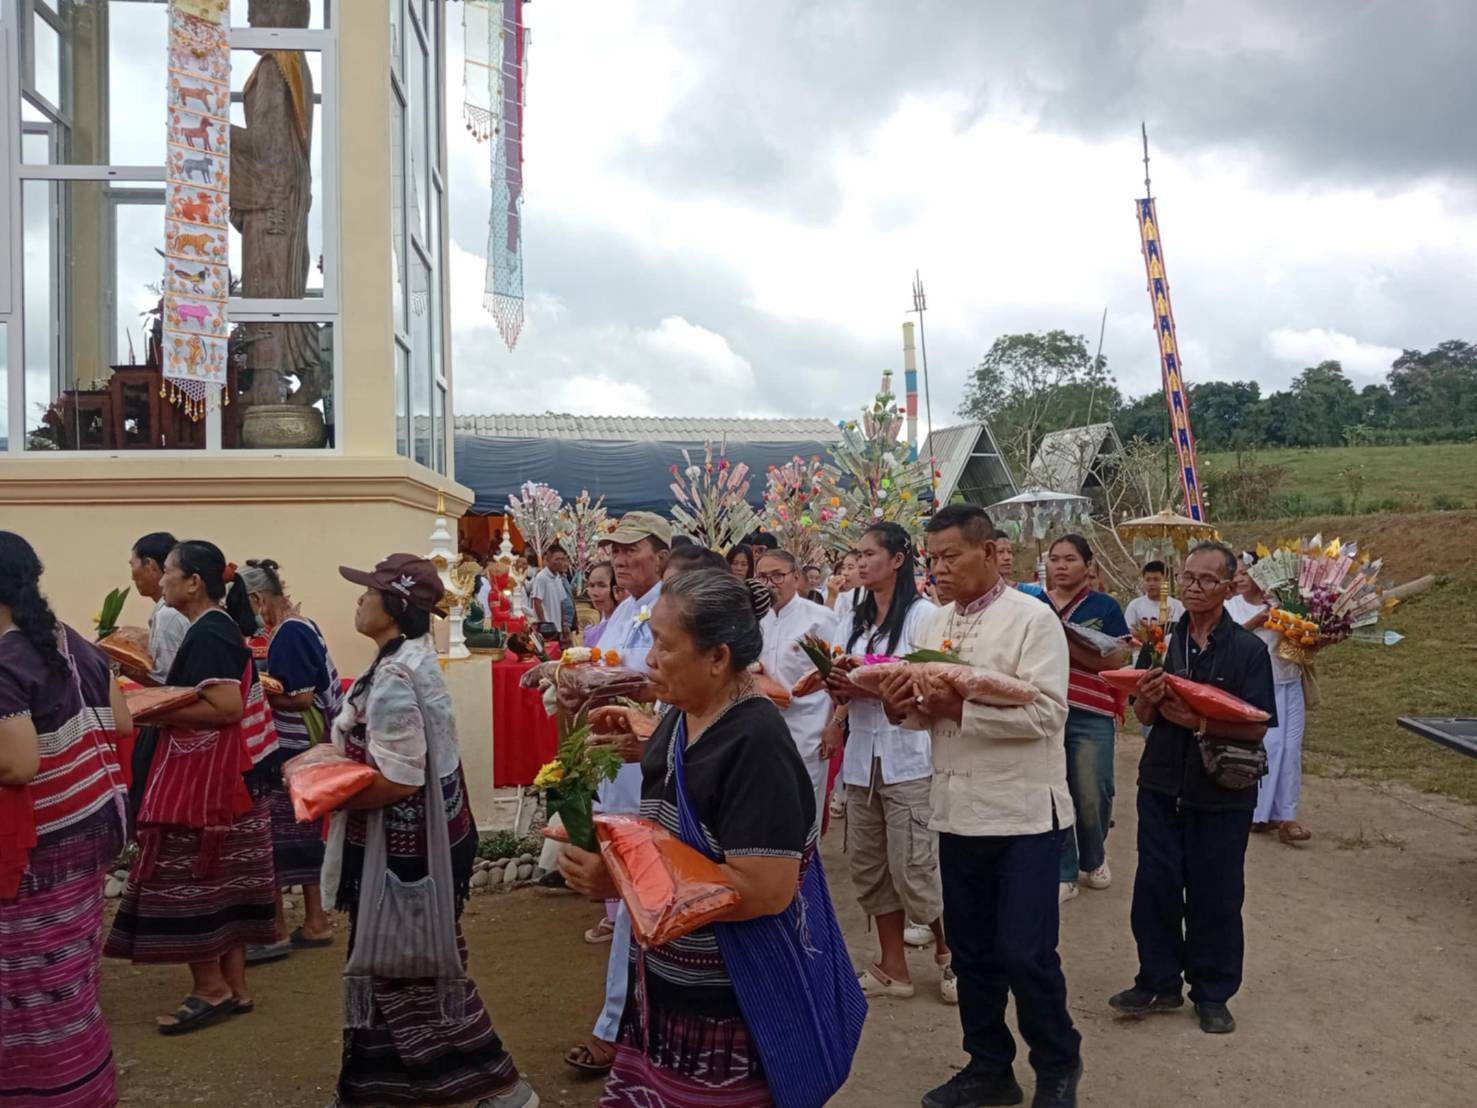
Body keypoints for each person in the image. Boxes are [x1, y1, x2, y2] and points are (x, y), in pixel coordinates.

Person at [560, 569, 864, 1106]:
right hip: (672, 988)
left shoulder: (755, 743)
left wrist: (625, 878)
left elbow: (765, 889)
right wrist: (642, 737)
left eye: (664, 645)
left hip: (731, 1001)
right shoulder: (686, 714)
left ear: (718, 657)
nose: (649, 659)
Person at [876, 505, 1082, 1108]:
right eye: (932, 557)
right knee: (970, 952)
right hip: (956, 809)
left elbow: (1048, 713)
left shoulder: (1031, 620)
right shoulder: (932, 624)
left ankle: (1057, 1062)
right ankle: (989, 1066)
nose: (938, 568)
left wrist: (957, 708)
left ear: (991, 552)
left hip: (1022, 813)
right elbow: (923, 711)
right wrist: (898, 706)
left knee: (1025, 951)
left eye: (951, 556)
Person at [326, 554, 538, 1108]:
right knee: (396, 966)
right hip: (418, 843)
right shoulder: (406, 660)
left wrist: (325, 793)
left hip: (405, 853)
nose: (358, 600)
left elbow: (398, 778)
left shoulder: (397, 676)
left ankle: (497, 1084)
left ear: (393, 607)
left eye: (367, 592)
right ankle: (377, 1088)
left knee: (411, 966)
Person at [105, 540, 279, 1034]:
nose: (160, 582)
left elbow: (224, 708)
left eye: (169, 573)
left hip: (201, 786)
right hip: (223, 783)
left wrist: (150, 707)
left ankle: (210, 988)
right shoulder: (215, 628)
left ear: (193, 582)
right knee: (226, 881)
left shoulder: (209, 632)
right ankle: (236, 986)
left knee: (188, 881)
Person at [1110, 541, 1275, 1037]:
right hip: (1162, 782)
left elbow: (1259, 725)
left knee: (1217, 894)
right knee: (1155, 886)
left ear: (1228, 588)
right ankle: (1158, 981)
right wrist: (1153, 702)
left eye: (1206, 580)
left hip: (1222, 790)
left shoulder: (1247, 651)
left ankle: (1212, 992)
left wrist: (1200, 722)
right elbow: (1140, 714)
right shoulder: (1161, 643)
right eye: (1188, 577)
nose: (1194, 587)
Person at [0, 531, 133, 1105]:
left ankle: (48, 1091)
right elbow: (123, 723)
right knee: (68, 981)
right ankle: (86, 1085)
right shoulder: (66, 639)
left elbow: (17, 762)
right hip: (90, 835)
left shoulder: (6, 657)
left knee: (27, 991)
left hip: (39, 852)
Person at [827, 523, 953, 1004]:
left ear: (898, 559)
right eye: (856, 554)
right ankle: (892, 966)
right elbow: (841, 673)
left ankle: (950, 954)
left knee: (916, 865)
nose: (859, 563)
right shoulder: (852, 618)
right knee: (870, 865)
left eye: (868, 554)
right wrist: (838, 694)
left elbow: (933, 683)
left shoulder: (924, 616)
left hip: (909, 756)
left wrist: (876, 687)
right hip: (862, 759)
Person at [565, 512, 671, 1078]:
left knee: (643, 898)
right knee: (635, 901)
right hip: (621, 768)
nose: (622, 560)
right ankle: (627, 1024)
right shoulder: (627, 611)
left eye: (632, 551)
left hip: (652, 769)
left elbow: (660, 683)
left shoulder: (670, 608)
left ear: (661, 553)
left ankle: (616, 1026)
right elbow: (600, 670)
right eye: (616, 552)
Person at [238, 558, 343, 961]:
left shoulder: (288, 634)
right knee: (301, 830)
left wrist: (253, 690)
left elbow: (299, 697)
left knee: (280, 835)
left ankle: (278, 928)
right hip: (303, 747)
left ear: (257, 598)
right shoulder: (300, 627)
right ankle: (315, 920)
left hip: (292, 746)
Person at [1041, 534, 1131, 903]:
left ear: (1088, 565)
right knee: (1053, 791)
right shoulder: (1033, 603)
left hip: (1090, 710)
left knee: (1093, 791)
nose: (1061, 566)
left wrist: (1064, 637)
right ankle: (1064, 870)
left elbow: (1115, 658)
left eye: (1070, 559)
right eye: (1055, 559)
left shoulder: (1104, 606)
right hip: (1043, 710)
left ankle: (1094, 856)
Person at [1224, 555, 1310, 844]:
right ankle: (1257, 813)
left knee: (1291, 748)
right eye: (1237, 573)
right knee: (1269, 746)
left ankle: (1286, 816)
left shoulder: (1285, 601)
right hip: (1257, 686)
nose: (1240, 578)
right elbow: (1228, 638)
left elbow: (1303, 636)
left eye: (1247, 572)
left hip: (1290, 681)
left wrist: (1309, 631)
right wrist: (1258, 620)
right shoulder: (1231, 607)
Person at [756, 549, 836, 817]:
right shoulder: (754, 620)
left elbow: (837, 675)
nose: (770, 583)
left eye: (778, 575)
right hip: (762, 731)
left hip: (807, 729)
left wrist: (835, 724)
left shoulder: (819, 618)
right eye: (763, 577)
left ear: (796, 577)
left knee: (804, 810)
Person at [130, 530, 191, 683]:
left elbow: (167, 686)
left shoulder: (168, 614)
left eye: (133, 565)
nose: (132, 576)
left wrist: (122, 663)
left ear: (149, 565)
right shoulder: (178, 609)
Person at [1124, 560, 1186, 635]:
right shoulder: (1135, 606)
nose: (1151, 584)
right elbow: (1128, 631)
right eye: (1148, 580)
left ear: (1166, 580)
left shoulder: (1179, 606)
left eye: (1156, 579)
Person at [529, 544, 573, 639]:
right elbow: (537, 602)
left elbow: (561, 603)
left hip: (557, 628)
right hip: (546, 630)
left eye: (562, 559)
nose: (560, 562)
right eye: (557, 559)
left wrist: (563, 624)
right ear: (548, 559)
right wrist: (544, 624)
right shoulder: (541, 578)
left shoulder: (558, 578)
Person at [582, 561, 621, 648]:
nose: (595, 593)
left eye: (602, 585)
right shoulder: (601, 623)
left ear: (617, 589)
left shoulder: (625, 626)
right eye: (591, 586)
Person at [996, 533, 1045, 598]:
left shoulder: (1032, 593)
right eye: (1000, 552)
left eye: (1009, 552)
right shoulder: (980, 597)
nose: (1007, 557)